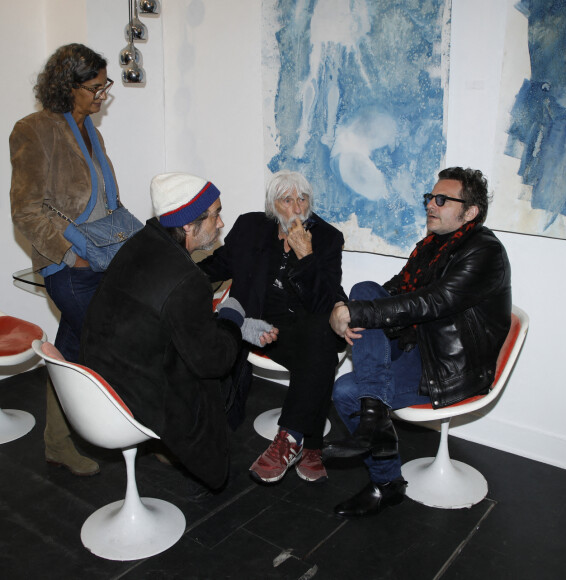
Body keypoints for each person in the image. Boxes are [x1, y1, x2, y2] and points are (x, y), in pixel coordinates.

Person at [324, 167, 512, 518]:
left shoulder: (484, 252)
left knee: (348, 391)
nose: (431, 205)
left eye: (442, 200)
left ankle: (384, 479)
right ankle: (381, 443)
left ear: (470, 212)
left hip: (451, 364)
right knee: (364, 289)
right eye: (430, 197)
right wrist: (348, 307)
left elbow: (432, 302)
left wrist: (354, 313)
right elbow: (393, 291)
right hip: (418, 342)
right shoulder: (429, 246)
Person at [80, 173, 277, 491]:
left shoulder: (140, 244)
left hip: (94, 380)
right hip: (129, 397)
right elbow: (213, 361)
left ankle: (170, 447)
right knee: (214, 377)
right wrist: (231, 318)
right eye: (215, 214)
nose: (221, 223)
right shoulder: (188, 279)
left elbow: (166, 317)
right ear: (188, 224)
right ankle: (195, 453)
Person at [10, 44, 122, 476]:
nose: (102, 95)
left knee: (72, 350)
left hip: (105, 257)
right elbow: (26, 210)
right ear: (67, 86)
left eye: (104, 85)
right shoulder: (33, 129)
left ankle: (57, 441)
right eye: (95, 87)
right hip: (70, 265)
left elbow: (103, 201)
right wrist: (70, 254)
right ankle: (129, 429)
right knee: (113, 341)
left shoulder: (92, 130)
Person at [199, 169, 346, 485]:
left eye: (302, 198)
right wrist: (178, 271)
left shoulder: (327, 237)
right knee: (321, 350)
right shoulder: (252, 226)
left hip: (306, 325)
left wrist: (306, 255)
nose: (297, 207)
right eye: (286, 199)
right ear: (271, 206)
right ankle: (313, 447)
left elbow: (325, 300)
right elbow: (219, 265)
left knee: (319, 335)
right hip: (260, 326)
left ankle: (289, 438)